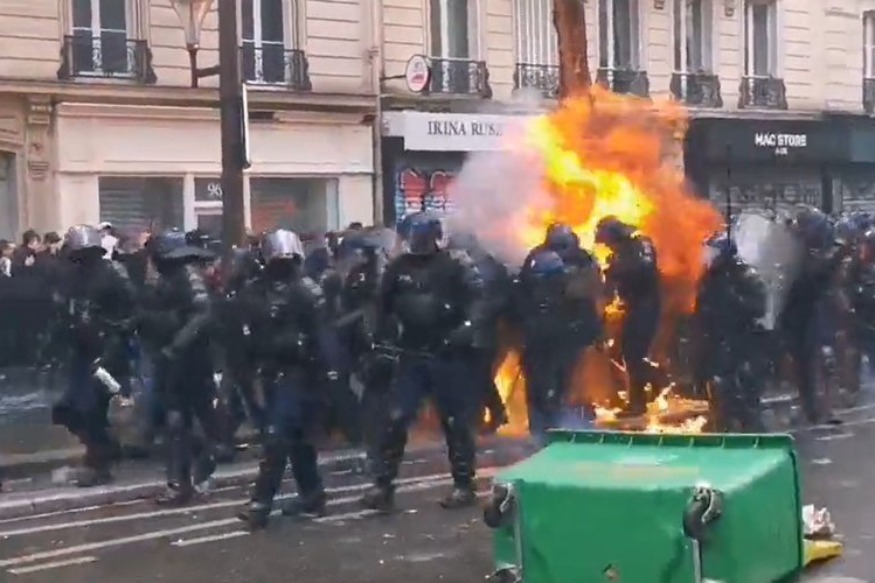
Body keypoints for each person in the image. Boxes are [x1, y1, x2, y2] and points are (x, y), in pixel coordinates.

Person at [360, 211, 486, 512]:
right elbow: (380, 305)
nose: (418, 243)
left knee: (455, 421)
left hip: (447, 353)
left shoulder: (456, 264)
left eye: (423, 238)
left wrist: (465, 330)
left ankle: (464, 484)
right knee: (395, 418)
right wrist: (378, 340)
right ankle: (383, 484)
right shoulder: (398, 267)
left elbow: (479, 302)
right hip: (411, 354)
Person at [236, 229, 329, 530]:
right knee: (296, 439)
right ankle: (312, 493)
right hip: (268, 373)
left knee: (278, 439)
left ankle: (260, 504)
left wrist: (317, 368)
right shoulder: (255, 290)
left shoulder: (307, 290)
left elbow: (322, 338)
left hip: (299, 373)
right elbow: (246, 331)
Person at [51, 225, 136, 486]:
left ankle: (100, 464)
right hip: (82, 350)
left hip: (108, 351)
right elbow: (66, 310)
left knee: (92, 409)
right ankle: (105, 447)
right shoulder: (73, 277)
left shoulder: (115, 273)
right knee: (67, 410)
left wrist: (119, 330)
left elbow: (134, 309)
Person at [594, 216, 661, 417]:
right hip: (632, 305)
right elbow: (611, 286)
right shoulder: (619, 253)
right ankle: (647, 386)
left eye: (608, 241)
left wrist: (618, 270)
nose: (607, 245)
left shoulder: (641, 244)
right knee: (627, 352)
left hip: (647, 305)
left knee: (633, 353)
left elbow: (646, 268)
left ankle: (644, 394)